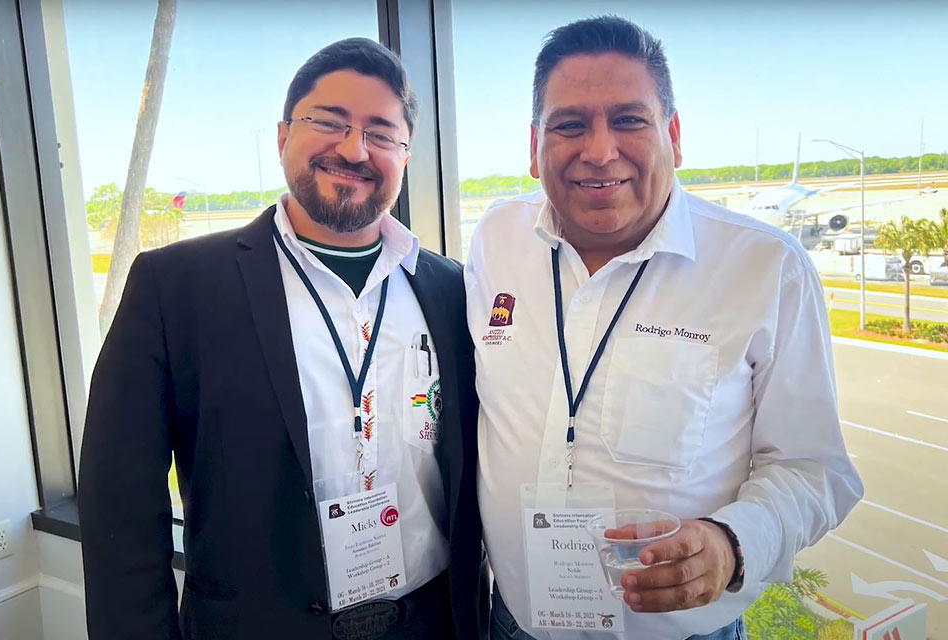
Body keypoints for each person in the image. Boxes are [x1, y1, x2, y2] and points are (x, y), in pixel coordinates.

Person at [465, 16, 863, 640]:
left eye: (629, 119)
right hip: (514, 621)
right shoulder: (496, 240)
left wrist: (732, 542)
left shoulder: (764, 267)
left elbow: (817, 469)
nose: (599, 151)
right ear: (533, 144)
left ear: (673, 136)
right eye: (569, 124)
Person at [79, 38, 484, 640]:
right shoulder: (175, 286)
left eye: (381, 132)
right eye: (329, 122)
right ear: (281, 135)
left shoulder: (450, 289)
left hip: (430, 622)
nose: (354, 148)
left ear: (405, 153)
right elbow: (121, 507)